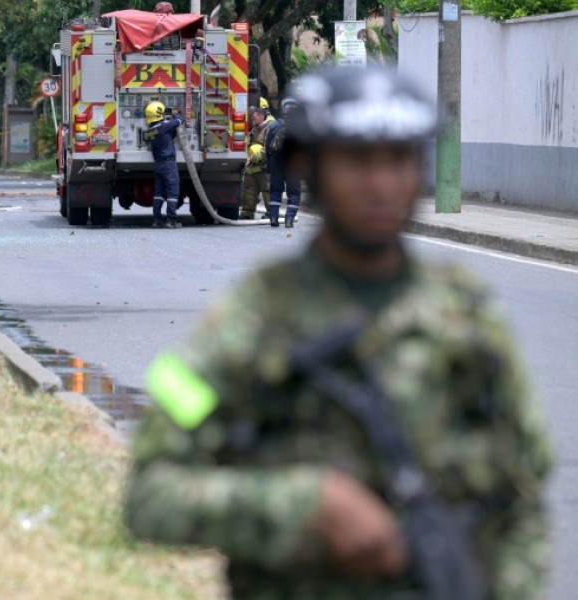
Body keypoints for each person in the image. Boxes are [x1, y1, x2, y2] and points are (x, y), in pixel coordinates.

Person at [125, 67, 552, 599]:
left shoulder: (468, 317)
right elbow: (150, 492)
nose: (380, 184)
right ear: (310, 167)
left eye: (398, 160)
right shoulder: (247, 319)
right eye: (356, 160)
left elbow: (525, 496)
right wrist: (301, 507)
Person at [144, 100, 184, 229]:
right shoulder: (165, 127)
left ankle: (157, 220)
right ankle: (171, 220)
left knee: (159, 193)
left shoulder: (150, 131)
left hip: (158, 165)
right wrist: (176, 113)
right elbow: (179, 121)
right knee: (173, 191)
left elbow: (167, 135)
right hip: (168, 164)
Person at [265, 97, 302, 227]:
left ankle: (274, 218)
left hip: (276, 162)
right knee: (294, 193)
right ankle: (289, 219)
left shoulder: (275, 125)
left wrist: (268, 166)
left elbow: (268, 147)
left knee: (275, 190)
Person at [239, 106, 272, 219]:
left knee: (267, 190)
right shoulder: (254, 129)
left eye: (254, 117)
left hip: (263, 166)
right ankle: (247, 212)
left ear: (261, 116)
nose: (252, 119)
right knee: (249, 189)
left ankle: (271, 213)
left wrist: (255, 157)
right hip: (252, 165)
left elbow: (268, 147)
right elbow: (248, 143)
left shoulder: (269, 128)